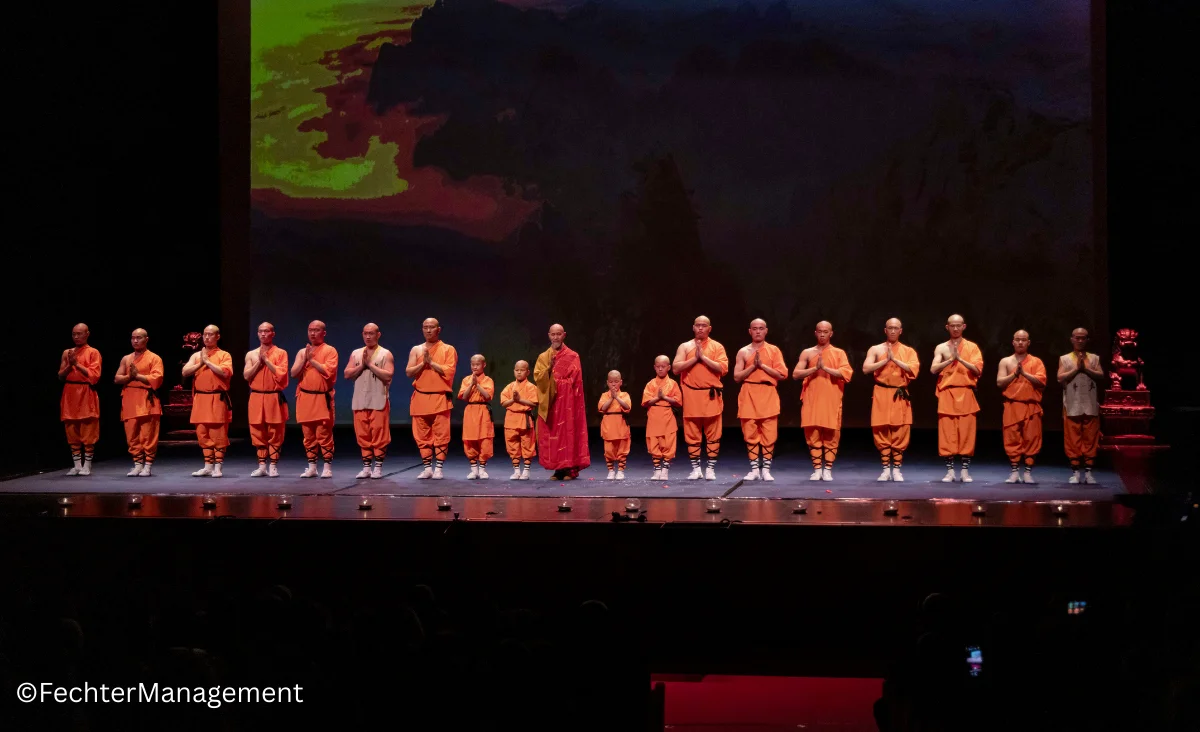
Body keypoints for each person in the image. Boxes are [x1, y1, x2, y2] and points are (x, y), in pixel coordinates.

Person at [793, 321, 853, 481]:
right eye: (819, 331)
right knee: (812, 434)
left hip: (831, 398)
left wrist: (825, 368)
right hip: (812, 398)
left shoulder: (839, 353)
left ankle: (828, 469)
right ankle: (817, 468)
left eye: (825, 332)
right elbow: (796, 374)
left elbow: (846, 374)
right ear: (815, 333)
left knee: (831, 435)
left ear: (831, 333)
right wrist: (815, 368)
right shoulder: (807, 352)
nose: (822, 334)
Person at [862, 318, 919, 482]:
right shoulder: (876, 349)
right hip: (881, 392)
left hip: (899, 393)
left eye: (896, 328)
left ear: (901, 331)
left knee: (900, 430)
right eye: (890, 328)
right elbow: (866, 368)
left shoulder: (908, 351)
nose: (893, 331)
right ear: (885, 330)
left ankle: (897, 469)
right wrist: (885, 360)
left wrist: (895, 360)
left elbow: (913, 370)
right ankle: (886, 468)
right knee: (881, 429)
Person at [673, 315, 729, 480]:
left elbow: (722, 368)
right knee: (692, 432)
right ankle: (696, 468)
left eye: (704, 326)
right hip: (691, 395)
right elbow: (676, 368)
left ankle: (710, 468)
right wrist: (694, 358)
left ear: (709, 328)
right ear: (693, 327)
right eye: (698, 325)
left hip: (710, 395)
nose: (700, 328)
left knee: (713, 433)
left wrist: (703, 358)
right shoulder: (685, 347)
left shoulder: (717, 347)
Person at [732, 319, 787, 481]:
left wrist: (763, 366)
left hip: (768, 392)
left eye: (761, 328)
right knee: (750, 432)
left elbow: (783, 374)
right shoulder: (743, 351)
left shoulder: (773, 350)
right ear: (750, 331)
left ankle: (766, 470)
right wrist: (753, 367)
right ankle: (755, 469)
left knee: (769, 434)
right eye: (754, 329)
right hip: (749, 392)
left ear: (766, 331)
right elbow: (736, 377)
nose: (758, 331)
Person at [931, 314, 983, 483]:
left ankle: (965, 471)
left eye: (958, 325)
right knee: (948, 433)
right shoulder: (941, 347)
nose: (955, 328)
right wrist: (950, 360)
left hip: (966, 392)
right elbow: (933, 369)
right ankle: (950, 471)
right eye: (952, 325)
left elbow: (977, 370)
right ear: (947, 327)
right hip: (948, 393)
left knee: (966, 432)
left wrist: (960, 359)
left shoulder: (972, 347)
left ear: (964, 326)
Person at [534, 324, 590, 480]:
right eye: (553, 334)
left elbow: (576, 382)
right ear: (549, 335)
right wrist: (548, 370)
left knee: (567, 433)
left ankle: (569, 469)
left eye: (558, 334)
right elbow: (538, 378)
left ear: (564, 335)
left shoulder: (573, 356)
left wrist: (560, 383)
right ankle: (558, 469)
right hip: (551, 401)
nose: (555, 337)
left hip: (567, 402)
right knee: (553, 434)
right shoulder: (543, 357)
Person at [406, 318, 457, 479]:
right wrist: (423, 364)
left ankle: (439, 468)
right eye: (425, 327)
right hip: (420, 398)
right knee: (422, 435)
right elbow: (409, 372)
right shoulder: (416, 349)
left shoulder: (448, 349)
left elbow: (449, 371)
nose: (428, 330)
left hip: (440, 398)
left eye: (432, 327)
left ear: (438, 329)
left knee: (441, 435)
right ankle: (427, 468)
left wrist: (431, 363)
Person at [182, 325, 233, 477]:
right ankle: (208, 465)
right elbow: (185, 372)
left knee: (218, 434)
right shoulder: (196, 356)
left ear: (217, 336)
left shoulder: (224, 355)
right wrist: (201, 362)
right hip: (200, 398)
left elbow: (225, 373)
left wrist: (208, 362)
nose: (206, 337)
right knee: (202, 433)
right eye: (205, 334)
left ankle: (218, 466)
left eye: (210, 334)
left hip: (217, 397)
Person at [345, 323, 394, 479]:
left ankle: (378, 467)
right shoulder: (356, 353)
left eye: (371, 333)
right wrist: (361, 366)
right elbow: (347, 374)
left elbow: (388, 375)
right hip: (360, 400)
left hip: (378, 399)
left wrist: (370, 365)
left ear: (378, 335)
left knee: (379, 435)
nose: (368, 336)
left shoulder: (386, 354)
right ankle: (366, 467)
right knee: (363, 434)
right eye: (365, 333)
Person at [996, 330, 1046, 484]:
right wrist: (1014, 375)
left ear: (1028, 342)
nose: (1020, 342)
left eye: (1023, 340)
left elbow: (1041, 382)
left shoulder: (1036, 362)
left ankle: (1028, 472)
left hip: (1031, 406)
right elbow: (999, 383)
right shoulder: (1005, 361)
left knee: (1032, 439)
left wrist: (1024, 373)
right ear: (1013, 342)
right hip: (1012, 405)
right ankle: (1014, 471)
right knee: (1012, 438)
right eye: (1017, 339)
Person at [291, 320, 338, 478]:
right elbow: (293, 373)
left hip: (321, 398)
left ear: (323, 333)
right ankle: (312, 466)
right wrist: (305, 359)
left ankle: (327, 466)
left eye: (316, 330)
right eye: (310, 330)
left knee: (323, 434)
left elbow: (328, 372)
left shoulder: (330, 350)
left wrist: (312, 360)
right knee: (308, 435)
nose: (312, 333)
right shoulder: (302, 352)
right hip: (305, 397)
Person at [1057, 328, 1105, 484]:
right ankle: (1076, 472)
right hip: (1072, 404)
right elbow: (1060, 377)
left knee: (1090, 438)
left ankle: (1089, 472)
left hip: (1090, 404)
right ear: (1071, 339)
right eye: (1077, 338)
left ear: (1087, 340)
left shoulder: (1094, 358)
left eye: (1083, 338)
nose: (1080, 340)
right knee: (1072, 438)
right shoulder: (1065, 359)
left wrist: (1086, 368)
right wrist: (1077, 369)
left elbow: (1101, 375)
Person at [114, 329, 163, 477]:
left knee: (148, 434)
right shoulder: (126, 358)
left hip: (146, 398)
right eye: (133, 338)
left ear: (146, 339)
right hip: (129, 397)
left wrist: (138, 376)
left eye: (139, 338)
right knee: (132, 434)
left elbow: (157, 379)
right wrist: (130, 376)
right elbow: (117, 378)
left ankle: (147, 465)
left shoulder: (154, 358)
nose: (135, 341)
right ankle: (137, 464)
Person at [243, 322, 290, 477]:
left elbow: (282, 374)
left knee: (275, 431)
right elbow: (246, 375)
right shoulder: (251, 354)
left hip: (273, 396)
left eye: (266, 331)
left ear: (272, 334)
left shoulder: (281, 353)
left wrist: (267, 361)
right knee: (257, 430)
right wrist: (259, 362)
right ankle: (262, 465)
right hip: (256, 395)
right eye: (260, 331)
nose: (263, 334)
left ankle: (274, 465)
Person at [58, 323, 102, 476]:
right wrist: (70, 366)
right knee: (71, 428)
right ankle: (76, 465)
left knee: (88, 428)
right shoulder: (67, 352)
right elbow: (60, 376)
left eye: (79, 334)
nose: (76, 337)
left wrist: (77, 364)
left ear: (87, 334)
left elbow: (95, 376)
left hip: (85, 391)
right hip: (69, 392)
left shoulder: (93, 352)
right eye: (73, 334)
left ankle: (87, 465)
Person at [641, 356, 682, 481]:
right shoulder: (650, 384)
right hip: (654, 415)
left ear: (668, 368)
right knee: (654, 443)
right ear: (654, 367)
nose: (660, 369)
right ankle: (657, 469)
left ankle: (665, 469)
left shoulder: (673, 384)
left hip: (667, 415)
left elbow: (678, 401)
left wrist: (664, 397)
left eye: (663, 367)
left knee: (668, 443)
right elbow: (645, 402)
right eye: (658, 367)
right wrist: (658, 398)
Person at [499, 360, 538, 480]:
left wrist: (519, 400)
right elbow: (504, 402)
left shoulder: (531, 387)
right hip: (511, 419)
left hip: (524, 418)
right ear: (514, 371)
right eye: (517, 370)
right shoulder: (510, 387)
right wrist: (513, 400)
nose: (519, 372)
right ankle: (516, 470)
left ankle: (526, 471)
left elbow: (534, 402)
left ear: (528, 372)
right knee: (512, 445)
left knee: (527, 444)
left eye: (522, 370)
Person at [458, 354, 495, 479]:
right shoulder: (466, 380)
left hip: (483, 410)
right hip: (470, 410)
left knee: (485, 439)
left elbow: (487, 396)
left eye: (477, 364)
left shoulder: (488, 380)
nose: (474, 367)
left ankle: (482, 468)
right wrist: (471, 385)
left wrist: (478, 385)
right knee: (470, 439)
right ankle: (474, 469)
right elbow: (464, 396)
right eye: (472, 364)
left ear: (483, 365)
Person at [598, 370, 632, 480]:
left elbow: (627, 407)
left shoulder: (624, 395)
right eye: (611, 382)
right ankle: (611, 470)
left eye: (616, 381)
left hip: (621, 424)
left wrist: (617, 397)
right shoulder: (604, 395)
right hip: (608, 424)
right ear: (607, 382)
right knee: (609, 450)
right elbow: (602, 408)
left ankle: (621, 470)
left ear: (621, 382)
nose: (614, 384)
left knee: (622, 449)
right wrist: (612, 397)